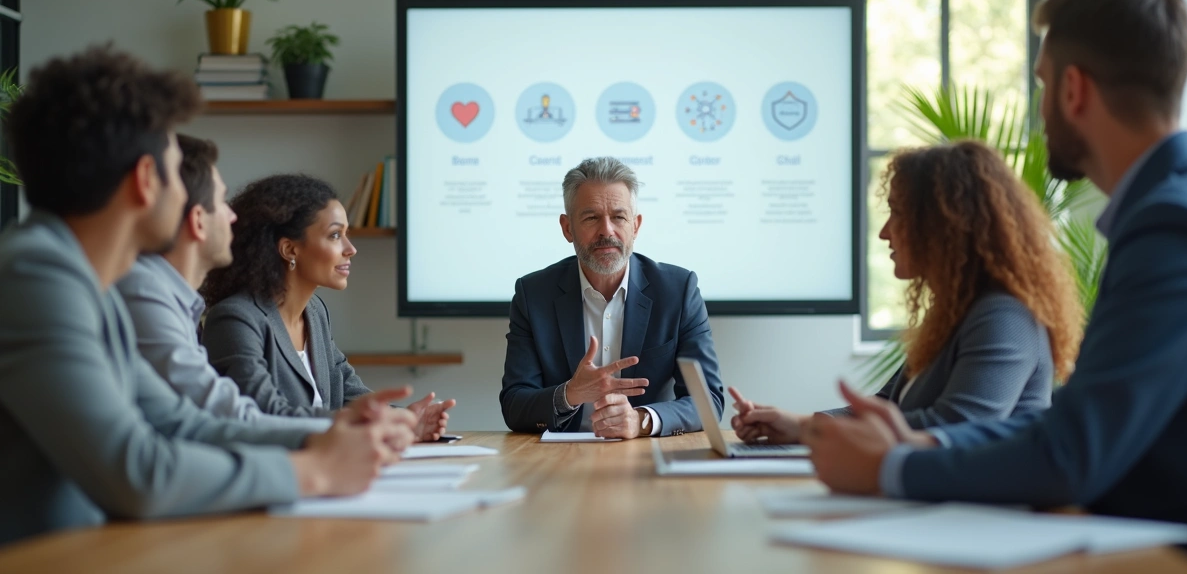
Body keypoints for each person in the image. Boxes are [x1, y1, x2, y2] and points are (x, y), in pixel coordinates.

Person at [805, 0, 1187, 565]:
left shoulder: (1174, 225)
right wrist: (922, 441)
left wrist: (894, 466)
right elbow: (1073, 422)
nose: (1041, 110)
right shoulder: (1180, 204)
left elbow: (1074, 452)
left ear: (1074, 90)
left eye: (1043, 86)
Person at [0, 46, 415, 545]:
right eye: (178, 170)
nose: (192, 198)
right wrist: (315, 472)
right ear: (146, 181)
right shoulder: (37, 276)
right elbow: (137, 473)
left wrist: (328, 437)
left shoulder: (89, 282)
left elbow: (178, 420)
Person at [729, 142, 1083, 442]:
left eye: (897, 214)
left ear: (945, 227)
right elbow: (888, 406)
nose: (885, 233)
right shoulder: (956, 312)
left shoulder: (1005, 317)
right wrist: (797, 425)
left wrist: (815, 430)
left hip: (975, 518)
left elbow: (956, 428)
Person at [199, 174, 455, 441]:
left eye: (347, 235)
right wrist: (373, 424)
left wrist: (404, 420)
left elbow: (349, 395)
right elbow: (265, 414)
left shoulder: (315, 312)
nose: (351, 249)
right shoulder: (235, 320)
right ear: (289, 249)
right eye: (335, 235)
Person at [117, 135, 333, 432]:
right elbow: (235, 416)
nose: (233, 216)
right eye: (221, 201)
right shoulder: (147, 297)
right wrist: (353, 427)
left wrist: (400, 420)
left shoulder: (181, 305)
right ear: (197, 220)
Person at [500, 156, 724, 438]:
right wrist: (570, 394)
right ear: (567, 228)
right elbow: (514, 405)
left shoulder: (678, 291)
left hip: (645, 456)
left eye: (619, 217)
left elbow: (709, 402)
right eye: (591, 217)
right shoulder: (533, 295)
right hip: (562, 457)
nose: (607, 230)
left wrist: (641, 420)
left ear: (636, 226)